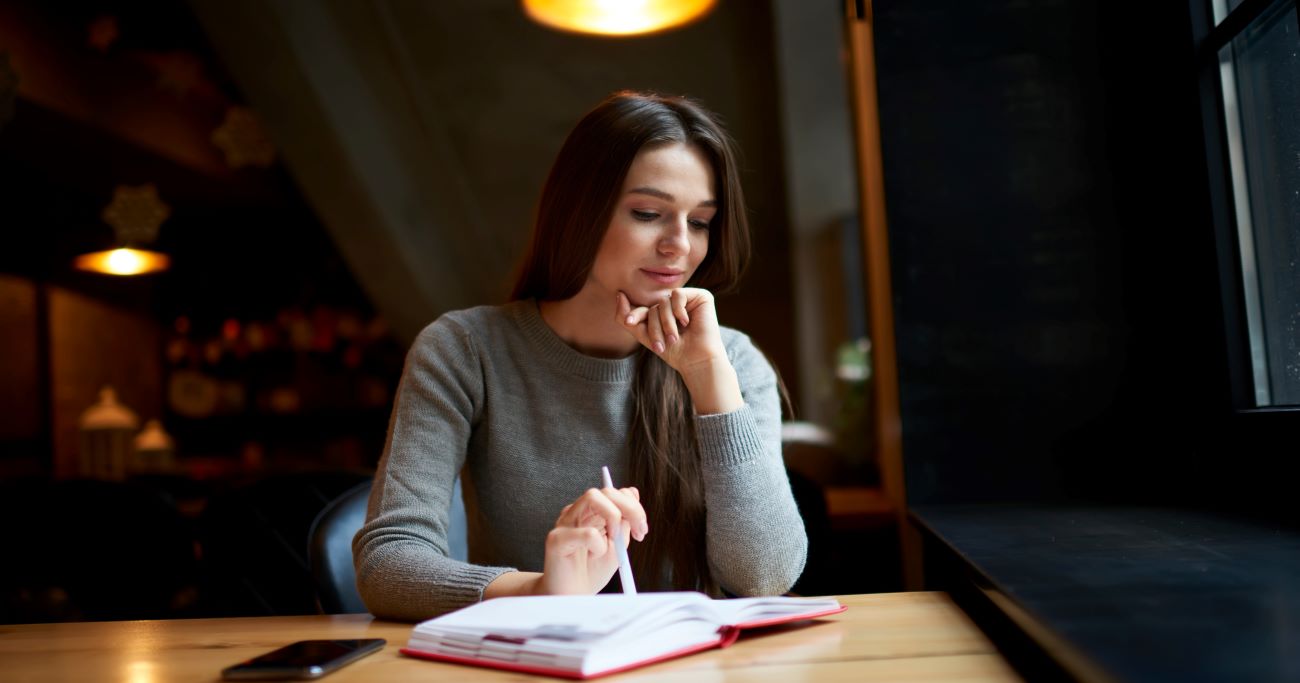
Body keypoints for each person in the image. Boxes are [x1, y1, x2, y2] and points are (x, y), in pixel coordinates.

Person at [352, 91, 807, 620]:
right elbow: (388, 563)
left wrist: (708, 379)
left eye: (701, 221)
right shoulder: (465, 351)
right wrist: (543, 591)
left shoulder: (733, 361)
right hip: (533, 664)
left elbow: (764, 576)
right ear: (579, 211)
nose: (680, 245)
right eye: (647, 213)